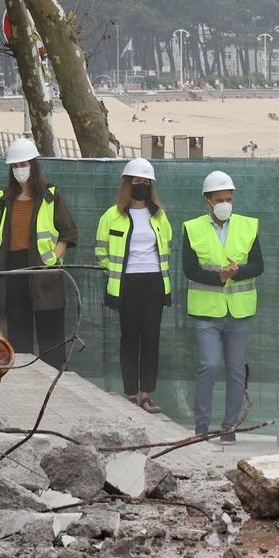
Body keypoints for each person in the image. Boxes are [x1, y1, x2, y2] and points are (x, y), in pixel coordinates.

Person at [183, 169, 263, 440]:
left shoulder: (248, 226)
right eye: (219, 200)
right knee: (210, 365)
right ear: (208, 201)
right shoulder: (192, 228)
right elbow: (190, 269)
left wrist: (236, 272)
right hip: (206, 311)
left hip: (239, 311)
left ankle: (230, 428)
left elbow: (258, 265)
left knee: (237, 370)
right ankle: (202, 427)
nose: (225, 204)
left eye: (228, 198)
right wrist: (219, 277)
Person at [0, 137, 78, 364]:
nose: (19, 169)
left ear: (34, 165)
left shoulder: (50, 195)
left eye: (23, 164)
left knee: (51, 329)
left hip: (44, 271)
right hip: (12, 270)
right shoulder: (4, 199)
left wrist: (53, 256)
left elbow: (68, 232)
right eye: (15, 165)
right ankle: (22, 376)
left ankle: (54, 378)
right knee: (18, 329)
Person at [93, 158, 172, 412]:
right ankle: (130, 395)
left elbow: (166, 246)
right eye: (137, 181)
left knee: (151, 339)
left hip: (154, 283)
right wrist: (113, 271)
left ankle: (147, 395)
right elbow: (100, 250)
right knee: (129, 339)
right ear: (128, 184)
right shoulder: (111, 216)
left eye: (146, 182)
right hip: (127, 283)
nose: (142, 185)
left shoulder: (159, 216)